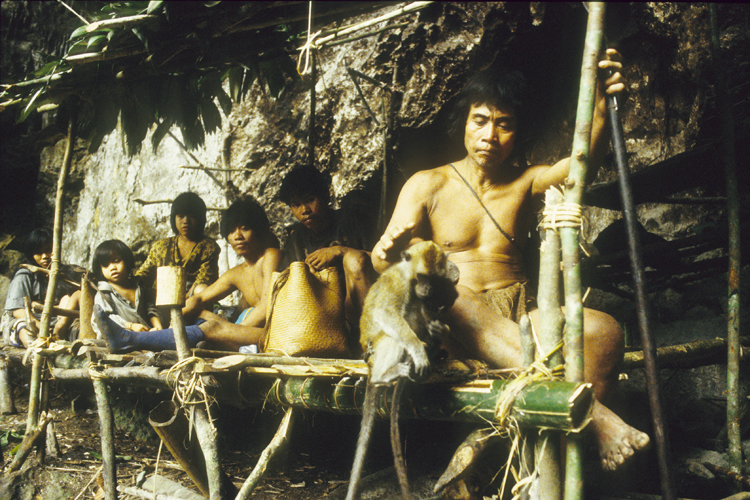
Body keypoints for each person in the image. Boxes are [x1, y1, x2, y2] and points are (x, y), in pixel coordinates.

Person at [372, 49, 650, 472]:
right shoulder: (427, 184)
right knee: (443, 289)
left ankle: (554, 461)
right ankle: (597, 418)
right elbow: (386, 265)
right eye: (480, 120)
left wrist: (598, 107)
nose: (490, 135)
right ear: (463, 124)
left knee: (604, 329)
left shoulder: (525, 182)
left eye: (504, 124)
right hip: (450, 324)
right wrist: (384, 256)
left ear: (518, 132)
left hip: (516, 319)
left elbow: (579, 169)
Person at [93, 197, 282, 352]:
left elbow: (266, 307)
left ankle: (131, 339)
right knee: (200, 313)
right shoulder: (237, 272)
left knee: (212, 327)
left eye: (244, 228)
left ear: (258, 230)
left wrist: (231, 331)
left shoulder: (270, 255)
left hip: (272, 334)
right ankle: (168, 338)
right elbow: (198, 299)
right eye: (231, 231)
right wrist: (173, 321)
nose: (237, 236)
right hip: (247, 333)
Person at [278, 165, 376, 342]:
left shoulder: (353, 221)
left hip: (361, 308)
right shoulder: (296, 239)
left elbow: (383, 262)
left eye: (310, 200)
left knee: (354, 259)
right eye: (296, 205)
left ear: (326, 196)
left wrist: (341, 251)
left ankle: (375, 339)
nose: (304, 210)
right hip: (320, 315)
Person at [4, 228, 80, 346]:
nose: (45, 256)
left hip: (59, 325)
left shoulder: (66, 273)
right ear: (31, 254)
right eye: (39, 252)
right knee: (23, 328)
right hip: (31, 321)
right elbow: (18, 311)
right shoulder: (24, 275)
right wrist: (41, 327)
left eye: (49, 250)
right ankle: (35, 352)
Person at [135, 192, 220, 297]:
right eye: (180, 216)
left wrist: (183, 302)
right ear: (173, 218)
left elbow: (205, 280)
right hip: (163, 300)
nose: (186, 221)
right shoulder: (161, 247)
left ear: (201, 219)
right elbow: (144, 275)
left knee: (201, 289)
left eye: (192, 217)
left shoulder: (208, 247)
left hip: (194, 301)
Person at [90, 239, 163, 338]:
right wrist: (131, 326)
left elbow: (149, 309)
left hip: (145, 334)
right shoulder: (103, 292)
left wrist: (158, 327)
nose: (112, 267)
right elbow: (106, 317)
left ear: (127, 261)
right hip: (120, 336)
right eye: (105, 265)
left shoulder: (138, 286)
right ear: (100, 269)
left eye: (116, 261)